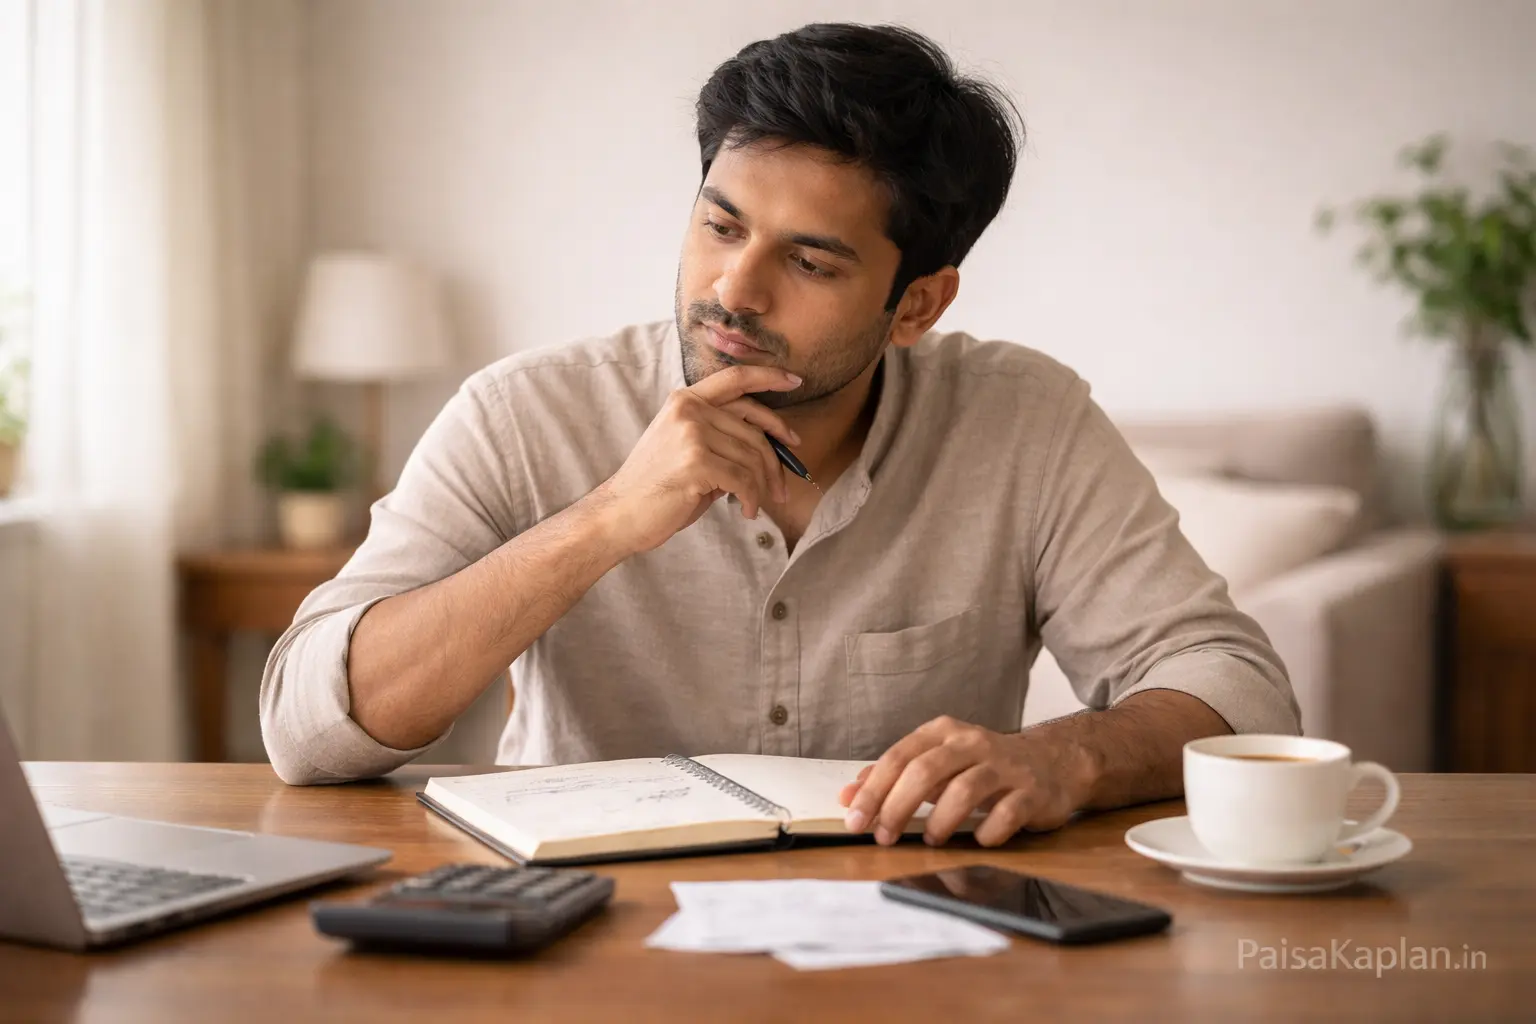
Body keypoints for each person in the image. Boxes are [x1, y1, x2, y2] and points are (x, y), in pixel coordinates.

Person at [260, 22, 1299, 849]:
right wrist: (606, 522)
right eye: (719, 226)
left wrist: (1065, 758)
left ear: (917, 304)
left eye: (808, 262)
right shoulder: (523, 413)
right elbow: (307, 728)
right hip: (582, 942)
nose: (732, 290)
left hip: (915, 938)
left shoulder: (1024, 421)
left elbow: (1241, 692)